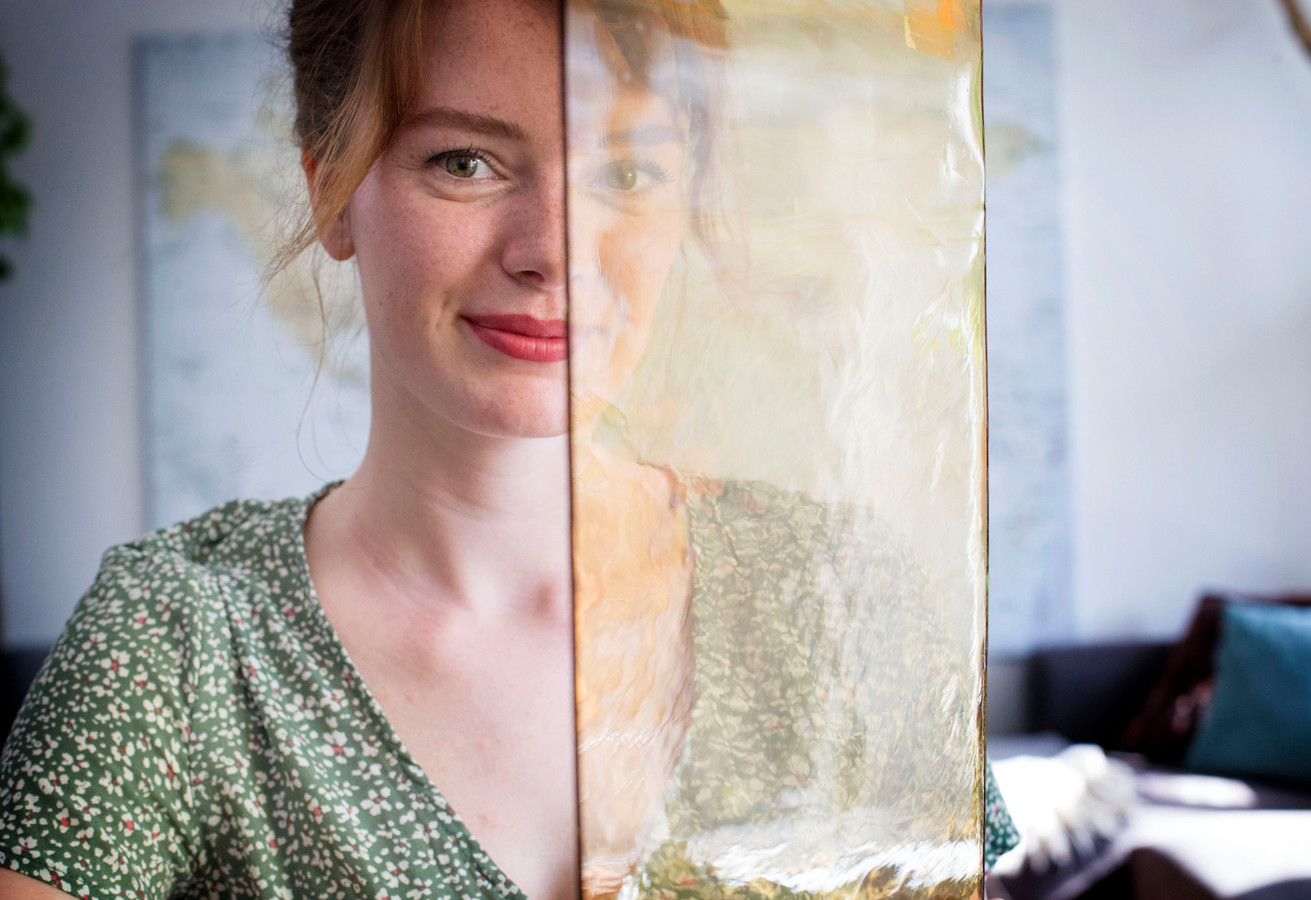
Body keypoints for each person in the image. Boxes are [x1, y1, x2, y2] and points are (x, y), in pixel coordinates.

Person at [0, 0, 1018, 898]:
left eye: (627, 172)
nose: (554, 252)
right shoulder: (174, 644)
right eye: (465, 162)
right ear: (330, 190)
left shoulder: (843, 595)